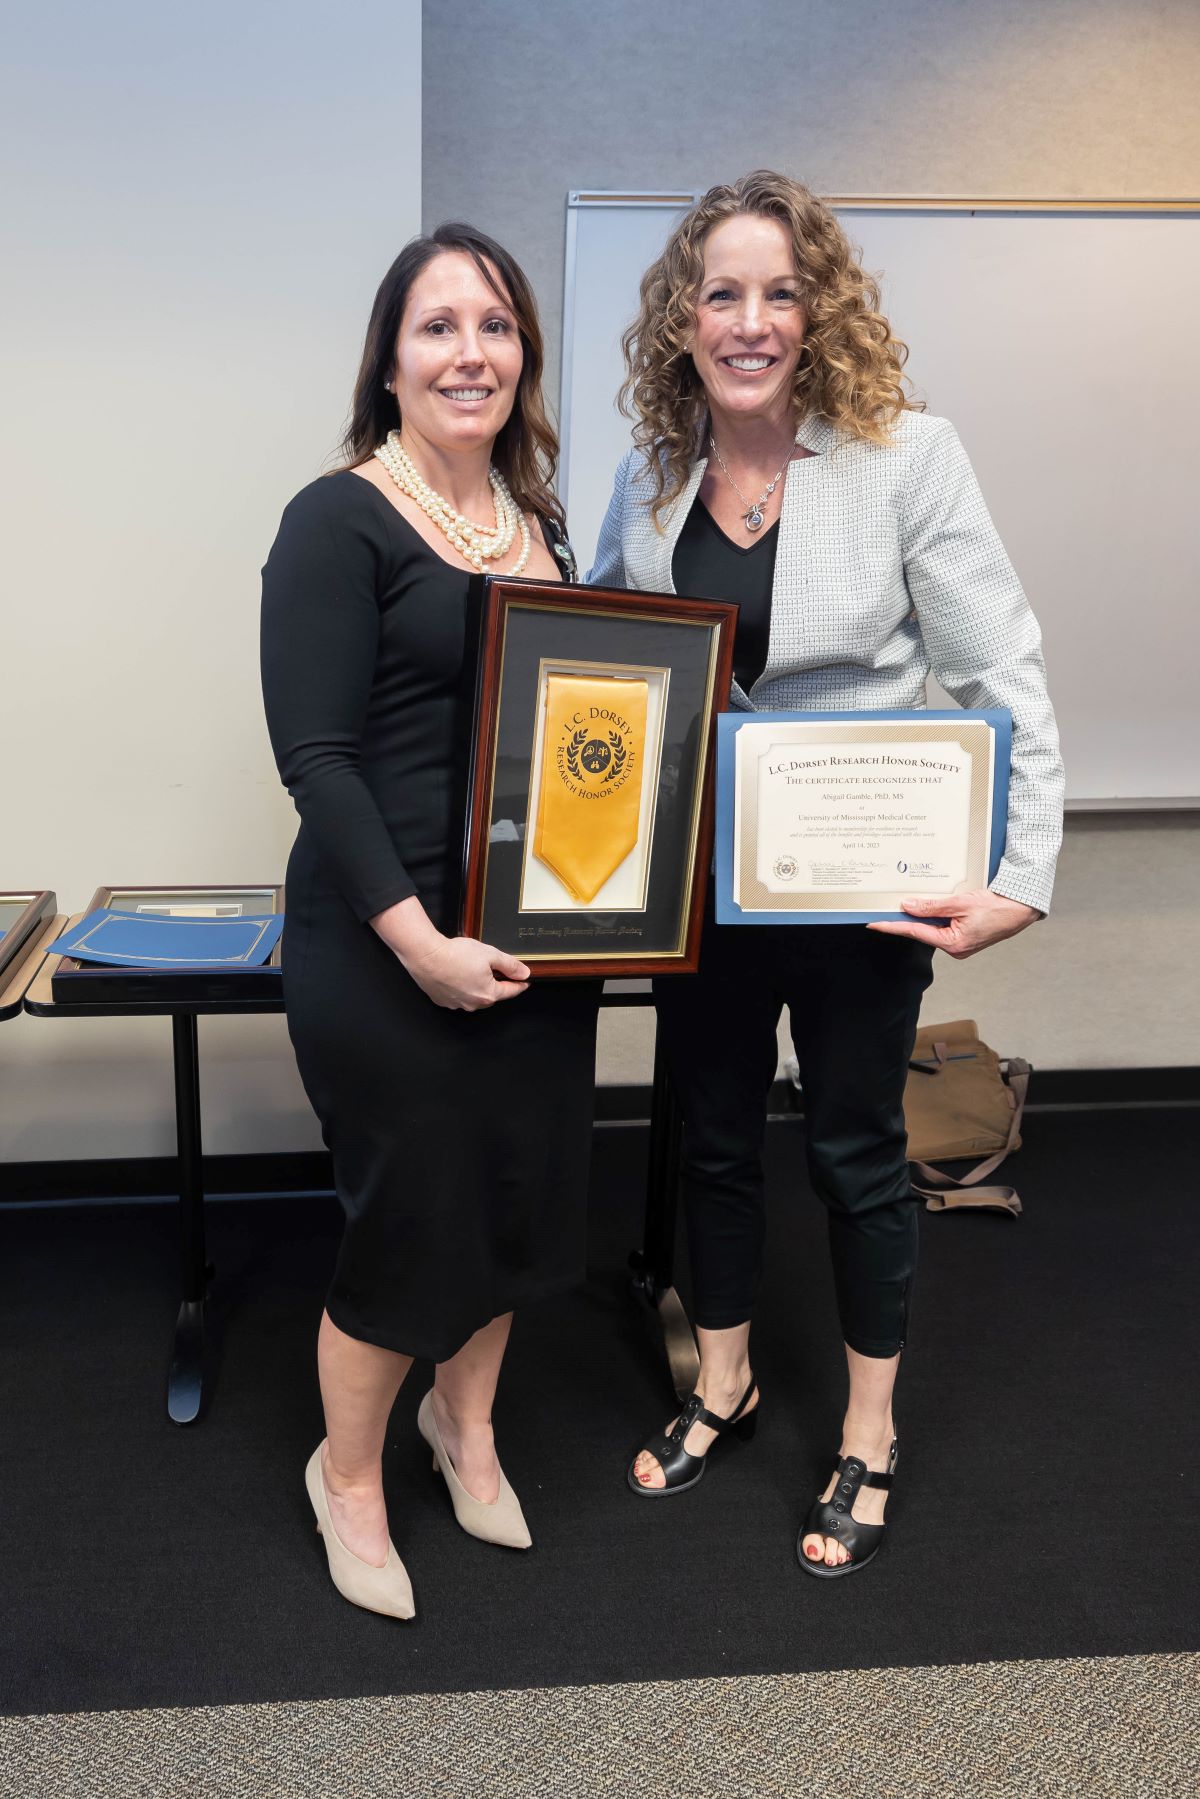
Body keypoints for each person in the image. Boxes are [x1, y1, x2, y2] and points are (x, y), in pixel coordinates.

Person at [589, 171, 1064, 1577]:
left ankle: (869, 1431)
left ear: (819, 310)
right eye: (719, 294)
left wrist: (1021, 872)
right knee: (716, 1140)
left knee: (856, 1153)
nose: (750, 321)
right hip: (707, 896)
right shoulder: (649, 476)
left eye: (779, 292)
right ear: (682, 319)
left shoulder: (906, 456)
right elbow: (623, 687)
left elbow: (1004, 669)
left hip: (863, 891)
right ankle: (723, 1386)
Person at [261, 225, 597, 1620]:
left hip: (530, 944)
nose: (473, 353)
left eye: (498, 326)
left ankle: (467, 1430)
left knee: (513, 1207)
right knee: (409, 1223)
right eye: (439, 327)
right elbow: (318, 760)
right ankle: (346, 1478)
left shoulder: (545, 530)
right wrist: (419, 943)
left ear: (524, 356)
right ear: (390, 362)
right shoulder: (335, 519)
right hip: (384, 945)